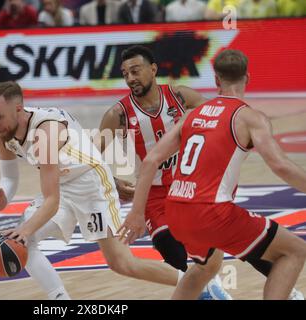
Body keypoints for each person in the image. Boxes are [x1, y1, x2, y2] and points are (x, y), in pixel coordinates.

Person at [120, 49, 306, 300]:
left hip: (175, 209)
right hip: (212, 211)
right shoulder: (250, 117)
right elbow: (280, 165)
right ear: (247, 78)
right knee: (293, 251)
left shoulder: (192, 115)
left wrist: (136, 213)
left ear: (216, 80)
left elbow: (151, 160)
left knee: (206, 267)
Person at [0, 81, 186, 300]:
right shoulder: (0, 132)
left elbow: (51, 201)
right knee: (25, 241)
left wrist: (24, 229)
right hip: (61, 183)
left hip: (91, 185)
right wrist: (3, 195)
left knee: (123, 264)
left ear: (18, 109)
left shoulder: (46, 131)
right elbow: (10, 177)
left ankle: (197, 281)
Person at [99, 45, 231, 300]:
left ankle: (285, 290)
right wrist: (112, 181)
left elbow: (218, 118)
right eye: (125, 74)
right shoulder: (117, 114)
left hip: (190, 186)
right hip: (154, 193)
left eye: (135, 71)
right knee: (171, 252)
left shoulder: (180, 96)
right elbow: (92, 158)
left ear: (153, 69)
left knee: (212, 249)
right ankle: (210, 293)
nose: (130, 79)